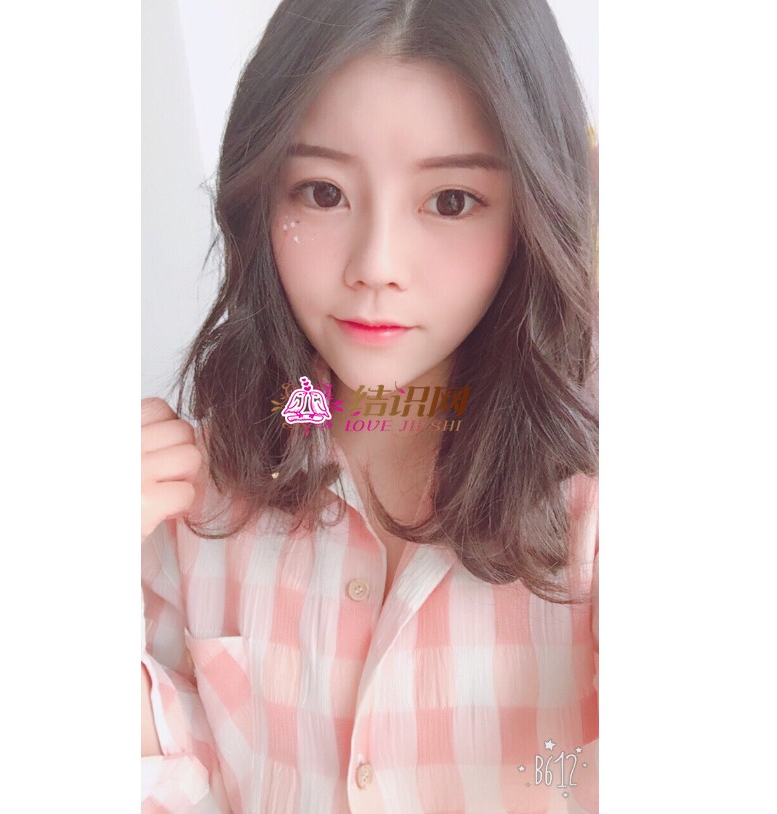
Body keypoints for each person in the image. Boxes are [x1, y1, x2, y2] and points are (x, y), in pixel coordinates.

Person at [141, 1, 599, 811]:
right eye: (322, 193)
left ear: (536, 209)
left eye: (451, 200)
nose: (376, 263)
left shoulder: (595, 510)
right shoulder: (198, 494)